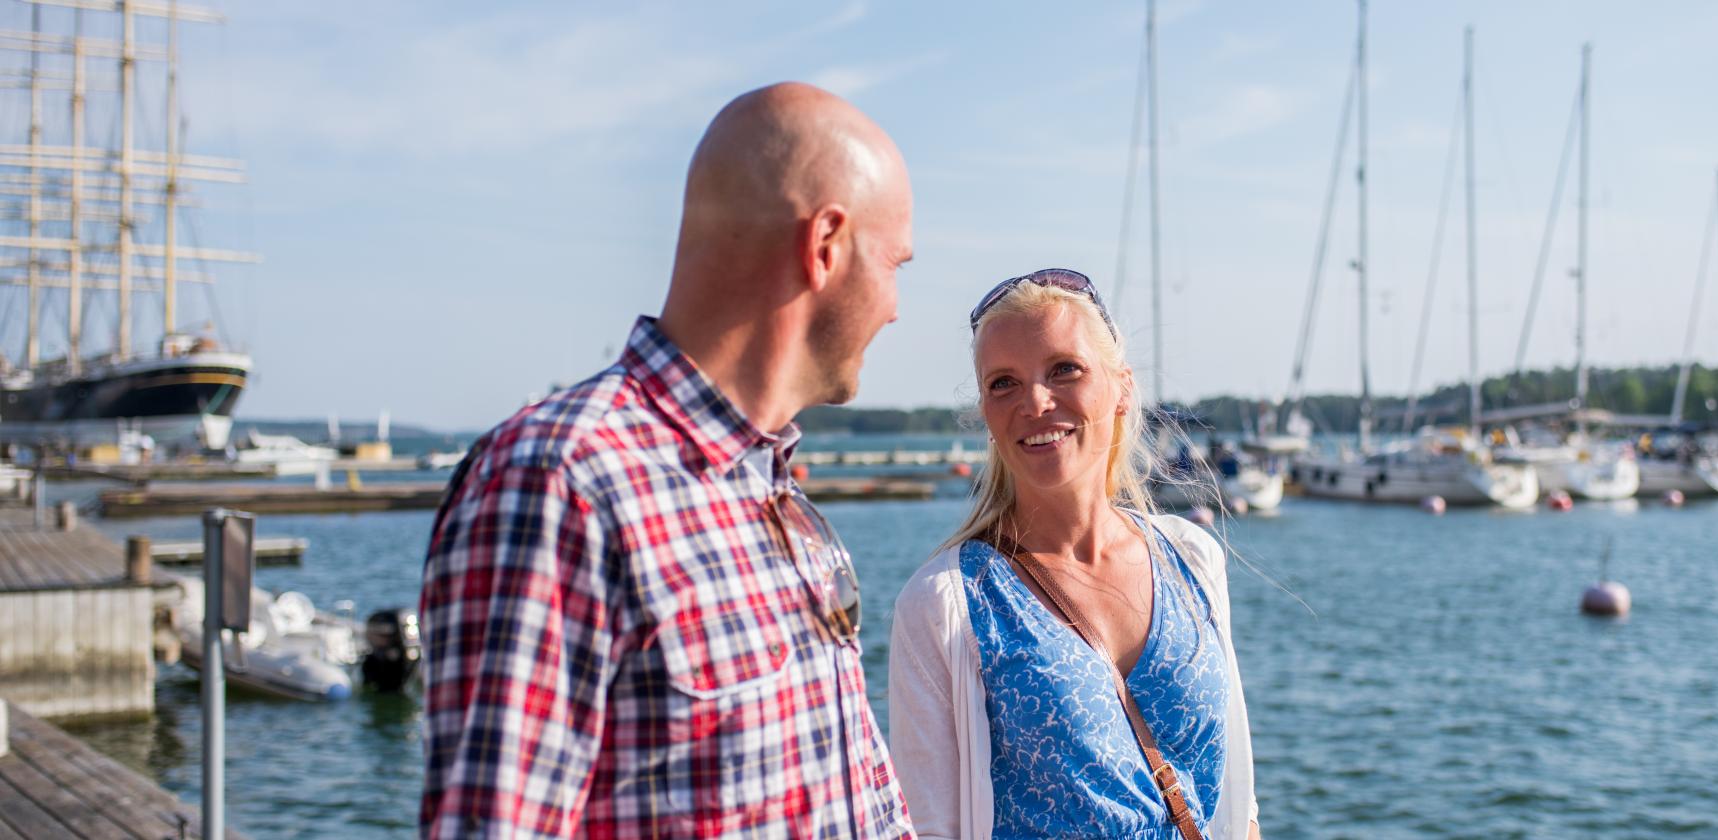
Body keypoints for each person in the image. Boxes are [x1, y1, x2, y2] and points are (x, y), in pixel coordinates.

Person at [419, 82, 916, 839]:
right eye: (894, 265)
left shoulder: (766, 487)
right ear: (824, 247)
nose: (895, 307)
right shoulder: (561, 483)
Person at [888, 269, 1258, 839]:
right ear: (985, 412)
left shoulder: (1192, 559)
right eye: (1003, 383)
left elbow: (1239, 806)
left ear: (1122, 387)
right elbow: (927, 828)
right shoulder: (948, 602)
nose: (1035, 401)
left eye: (1064, 370)